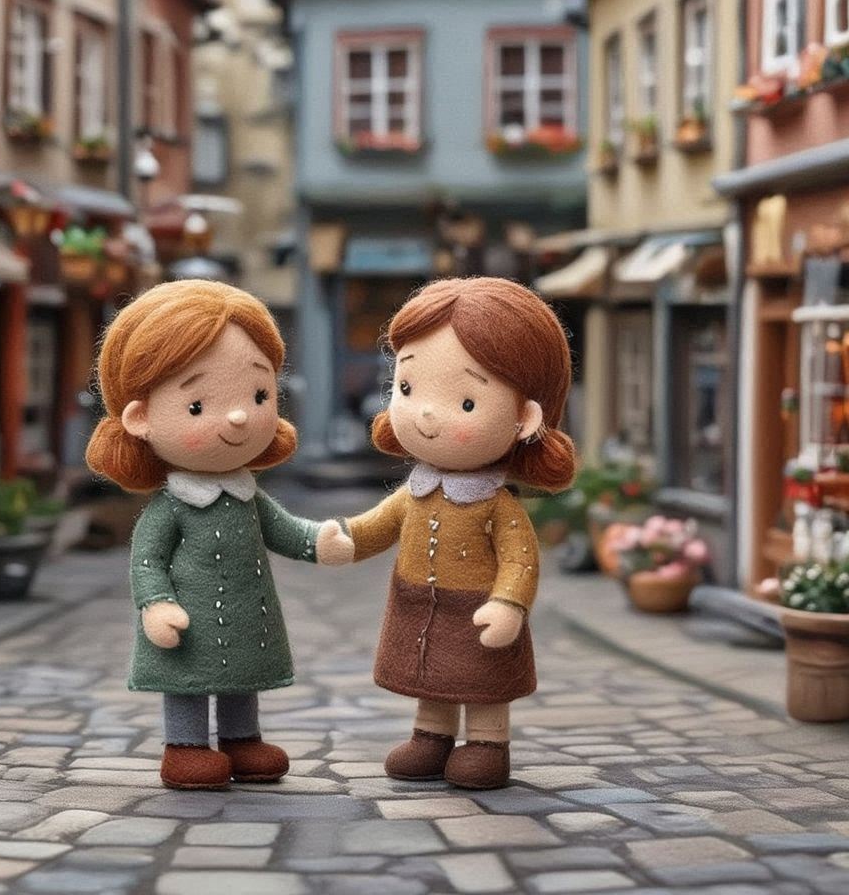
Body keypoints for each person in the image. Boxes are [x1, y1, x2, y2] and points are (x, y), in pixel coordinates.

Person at [87, 280, 352, 790]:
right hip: (189, 620)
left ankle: (242, 740)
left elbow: (284, 530)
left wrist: (318, 541)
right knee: (189, 677)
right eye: (196, 406)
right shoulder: (172, 507)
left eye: (258, 395)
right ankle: (185, 746)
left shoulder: (246, 493)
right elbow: (147, 560)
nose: (238, 416)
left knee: (242, 673)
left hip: (247, 614)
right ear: (141, 418)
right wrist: (156, 604)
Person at [320, 277, 576, 790]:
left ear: (524, 418)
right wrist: (348, 541)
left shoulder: (497, 506)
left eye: (465, 403)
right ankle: (430, 736)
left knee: (481, 676)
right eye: (408, 389)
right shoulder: (416, 490)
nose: (425, 414)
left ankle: (487, 742)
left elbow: (520, 559)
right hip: (419, 604)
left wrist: (509, 603)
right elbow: (381, 523)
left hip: (478, 610)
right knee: (430, 670)